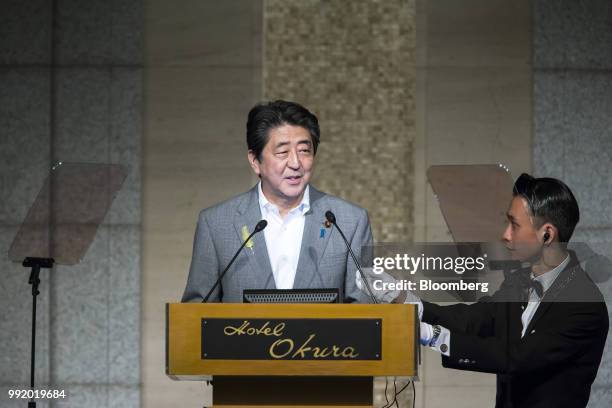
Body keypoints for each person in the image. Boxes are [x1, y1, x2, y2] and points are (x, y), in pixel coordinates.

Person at [359, 173, 609, 408]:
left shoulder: (584, 305)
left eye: (514, 225)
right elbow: (472, 319)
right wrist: (404, 298)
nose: (505, 235)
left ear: (547, 234)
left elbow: (517, 357)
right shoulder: (520, 281)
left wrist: (434, 337)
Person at [182, 100, 373, 303]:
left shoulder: (349, 221)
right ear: (255, 161)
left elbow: (365, 309)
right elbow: (196, 311)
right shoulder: (217, 224)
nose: (295, 163)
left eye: (304, 151)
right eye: (282, 152)